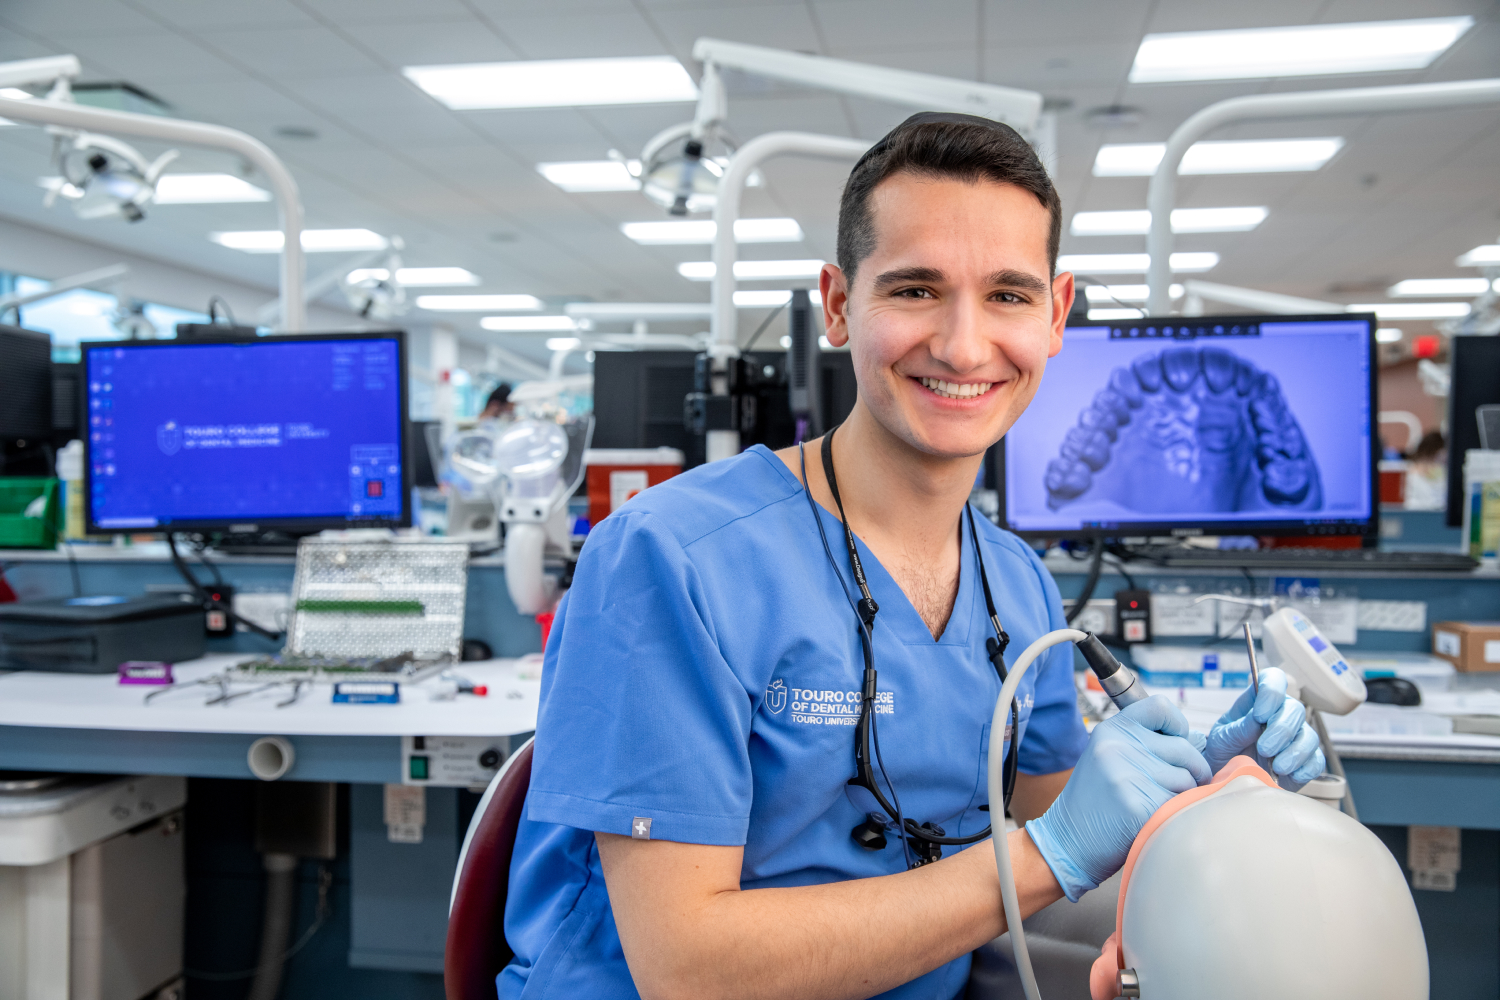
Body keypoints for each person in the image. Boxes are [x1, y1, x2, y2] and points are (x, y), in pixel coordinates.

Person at [499, 113, 1325, 1000]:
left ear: (1056, 314)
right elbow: (688, 968)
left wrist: (1197, 790)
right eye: (916, 290)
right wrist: (1050, 852)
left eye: (1008, 294)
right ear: (838, 304)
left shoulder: (1016, 584)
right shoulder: (675, 559)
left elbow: (1055, 815)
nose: (965, 346)